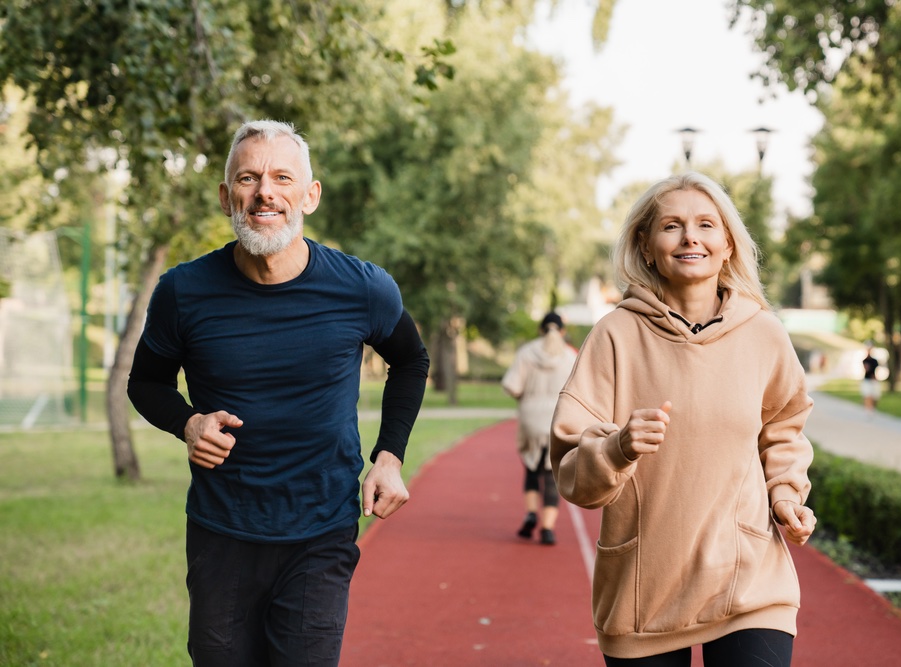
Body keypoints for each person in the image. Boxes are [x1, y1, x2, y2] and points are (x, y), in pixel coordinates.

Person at [126, 119, 430, 667]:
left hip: (321, 531)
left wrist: (389, 456)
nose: (265, 191)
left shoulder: (362, 288)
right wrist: (188, 423)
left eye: (282, 177)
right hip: (223, 533)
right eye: (248, 178)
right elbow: (145, 382)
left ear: (309, 196)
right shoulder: (183, 291)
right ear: (227, 197)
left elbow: (411, 360)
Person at [550, 172, 817, 667]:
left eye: (706, 225)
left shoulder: (764, 335)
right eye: (672, 226)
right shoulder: (615, 336)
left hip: (750, 582)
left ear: (728, 244)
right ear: (646, 247)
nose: (690, 237)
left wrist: (785, 495)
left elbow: (783, 431)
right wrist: (617, 448)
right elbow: (571, 473)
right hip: (644, 591)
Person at [501, 311, 577, 545]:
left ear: (540, 329)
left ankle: (531, 513)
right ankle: (548, 528)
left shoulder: (526, 352)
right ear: (562, 331)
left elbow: (512, 386)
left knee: (532, 468)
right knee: (553, 474)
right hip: (557, 418)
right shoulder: (570, 356)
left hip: (531, 417)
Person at [861, 343, 881, 412]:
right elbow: (866, 369)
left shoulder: (875, 361)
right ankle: (868, 409)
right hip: (867, 380)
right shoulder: (864, 360)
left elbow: (876, 370)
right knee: (867, 395)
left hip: (874, 380)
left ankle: (872, 408)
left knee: (875, 396)